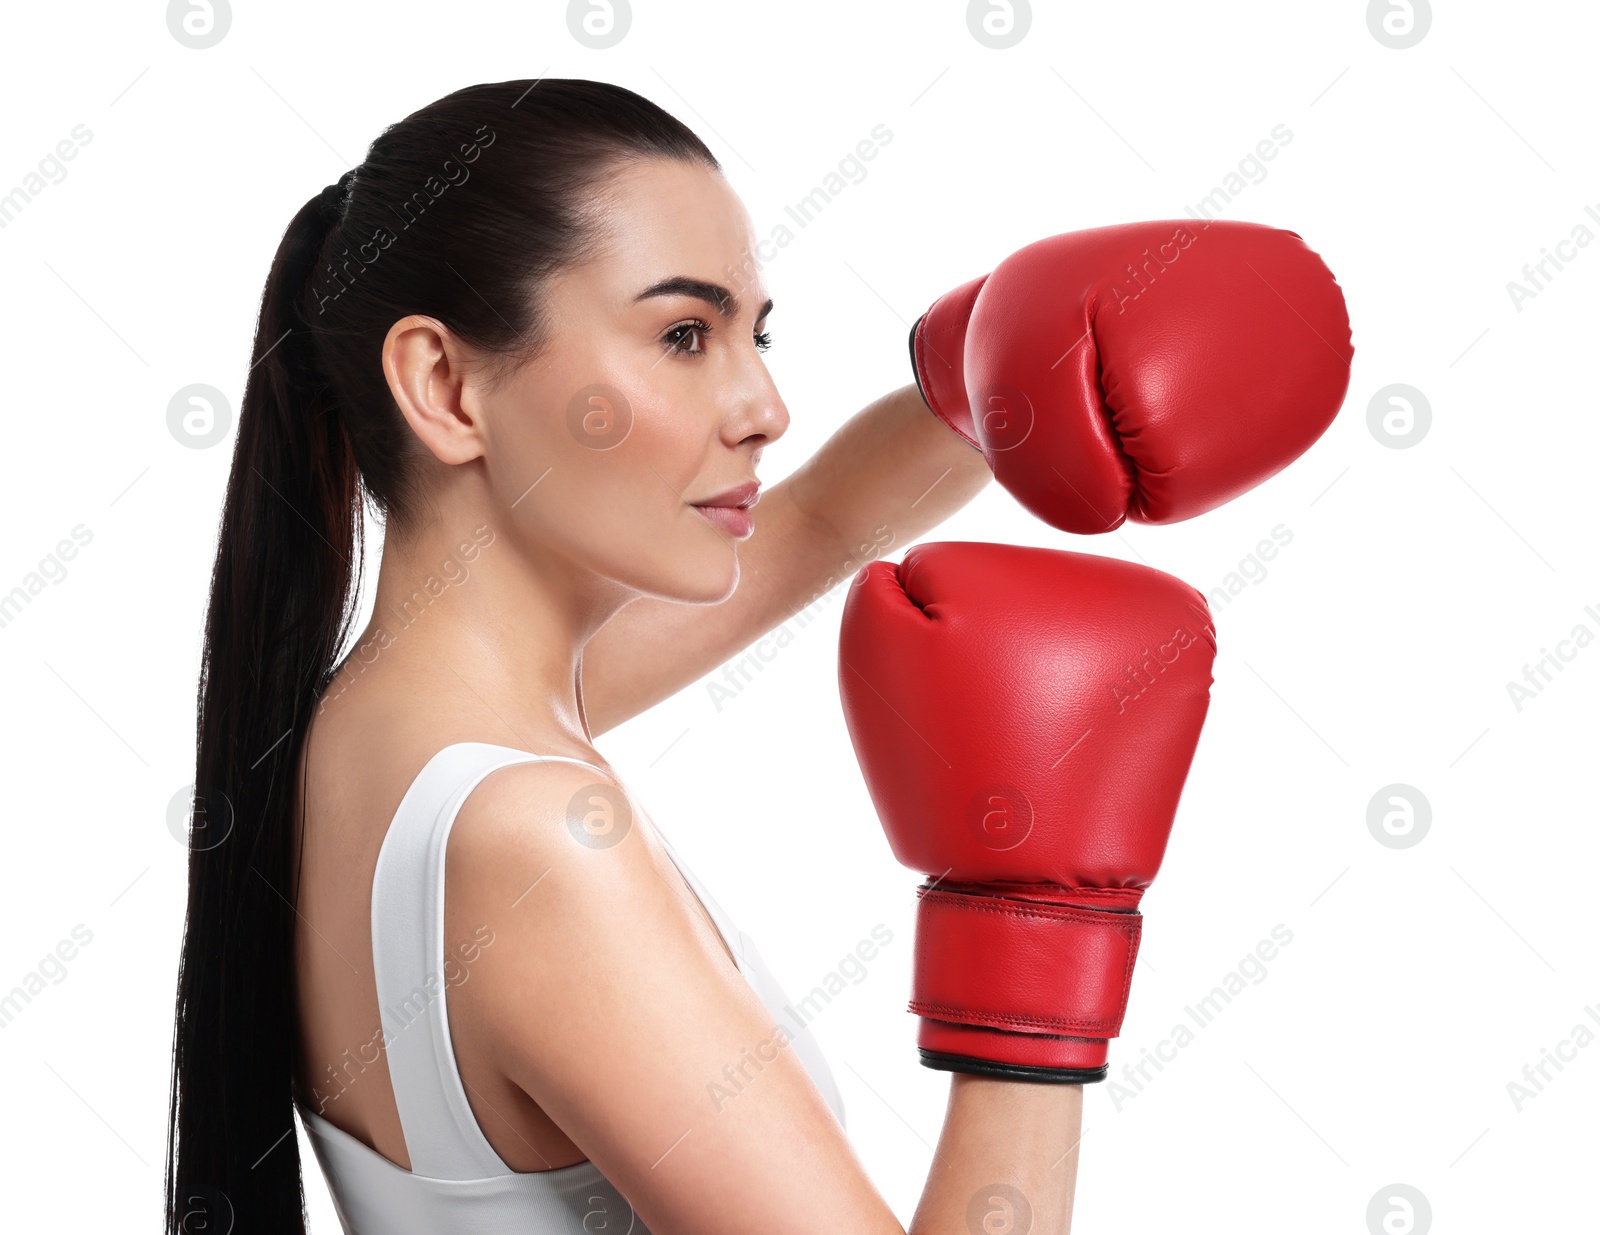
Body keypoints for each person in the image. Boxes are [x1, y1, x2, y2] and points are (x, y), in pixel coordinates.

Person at [165, 77, 1088, 1235]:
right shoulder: (534, 845)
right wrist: (1038, 932)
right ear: (445, 387)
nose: (764, 405)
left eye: (757, 332)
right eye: (683, 334)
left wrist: (987, 377)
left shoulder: (369, 731)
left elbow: (802, 527)